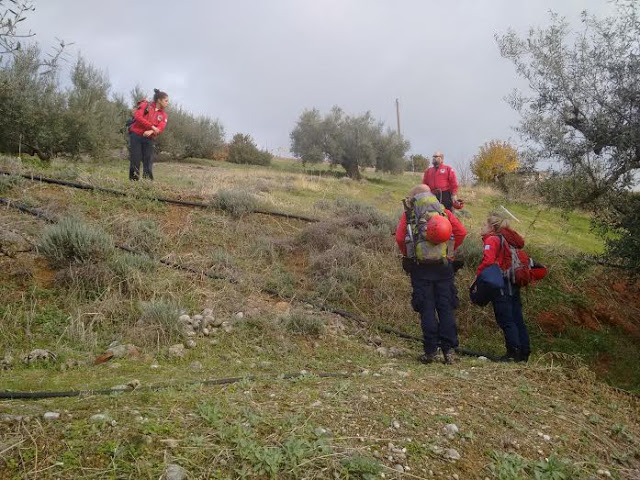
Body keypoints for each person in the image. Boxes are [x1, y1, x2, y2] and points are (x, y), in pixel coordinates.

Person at [396, 184, 467, 364]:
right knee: (445, 308)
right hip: (444, 268)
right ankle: (449, 351)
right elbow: (461, 232)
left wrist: (409, 255)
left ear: (414, 198)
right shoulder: (444, 212)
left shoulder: (410, 215)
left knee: (427, 309)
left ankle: (431, 351)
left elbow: (399, 238)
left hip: (421, 269)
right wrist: (448, 252)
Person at [476, 212, 530, 362]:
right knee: (517, 318)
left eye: (484, 224)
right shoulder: (510, 240)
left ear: (492, 226)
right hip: (514, 283)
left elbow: (488, 262)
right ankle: (524, 352)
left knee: (506, 319)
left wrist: (478, 278)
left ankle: (513, 352)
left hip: (501, 283)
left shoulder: (493, 240)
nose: (482, 227)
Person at [128, 89, 169, 181]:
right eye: (166, 100)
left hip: (149, 138)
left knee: (148, 160)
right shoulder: (145, 105)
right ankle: (133, 182)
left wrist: (151, 131)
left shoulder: (164, 115)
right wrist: (152, 126)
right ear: (159, 100)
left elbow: (160, 128)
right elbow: (138, 117)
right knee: (135, 159)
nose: (167, 103)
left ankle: (147, 182)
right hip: (136, 135)